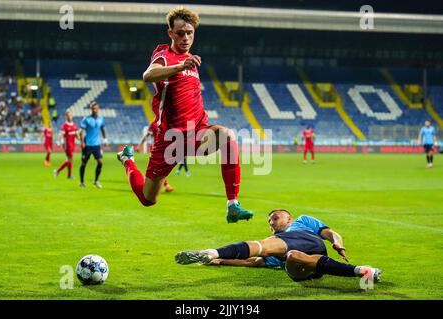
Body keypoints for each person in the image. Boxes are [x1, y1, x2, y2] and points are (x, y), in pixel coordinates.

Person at [116, 6, 253, 223]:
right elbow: (148, 75)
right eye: (180, 33)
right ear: (170, 33)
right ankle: (127, 160)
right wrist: (180, 65)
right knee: (148, 199)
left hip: (197, 131)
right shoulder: (165, 55)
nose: (186, 38)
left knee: (227, 135)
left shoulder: (191, 60)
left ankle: (232, 204)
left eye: (190, 33)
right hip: (170, 139)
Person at [175, 209, 382, 283]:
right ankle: (212, 252)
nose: (272, 222)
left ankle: (364, 272)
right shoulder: (275, 241)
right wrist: (220, 261)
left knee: (276, 246)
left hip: (313, 244)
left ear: (289, 217)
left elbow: (330, 233)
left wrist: (337, 242)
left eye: (275, 218)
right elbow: (255, 262)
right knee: (288, 254)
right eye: (269, 221)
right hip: (299, 267)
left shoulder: (303, 221)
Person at [137, 121, 175, 193]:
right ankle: (165, 185)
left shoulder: (167, 122)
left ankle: (144, 184)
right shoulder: (154, 124)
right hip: (156, 148)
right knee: (158, 167)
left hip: (163, 147)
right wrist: (139, 145)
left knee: (160, 167)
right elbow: (146, 136)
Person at [79, 102, 108, 188]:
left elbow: (103, 129)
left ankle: (96, 181)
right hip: (87, 145)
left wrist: (105, 139)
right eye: (93, 108)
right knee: (84, 163)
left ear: (98, 109)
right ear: (91, 109)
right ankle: (81, 182)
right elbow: (82, 131)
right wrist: (82, 142)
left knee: (100, 162)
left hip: (96, 145)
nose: (95, 110)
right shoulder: (86, 119)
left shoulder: (101, 119)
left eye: (96, 108)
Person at [54, 111, 79, 179]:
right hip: (67, 145)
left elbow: (76, 135)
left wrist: (80, 139)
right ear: (66, 117)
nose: (70, 117)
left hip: (73, 145)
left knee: (69, 160)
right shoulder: (65, 125)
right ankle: (66, 174)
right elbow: (61, 135)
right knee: (70, 159)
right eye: (68, 116)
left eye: (71, 115)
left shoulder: (74, 124)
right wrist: (61, 142)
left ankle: (61, 173)